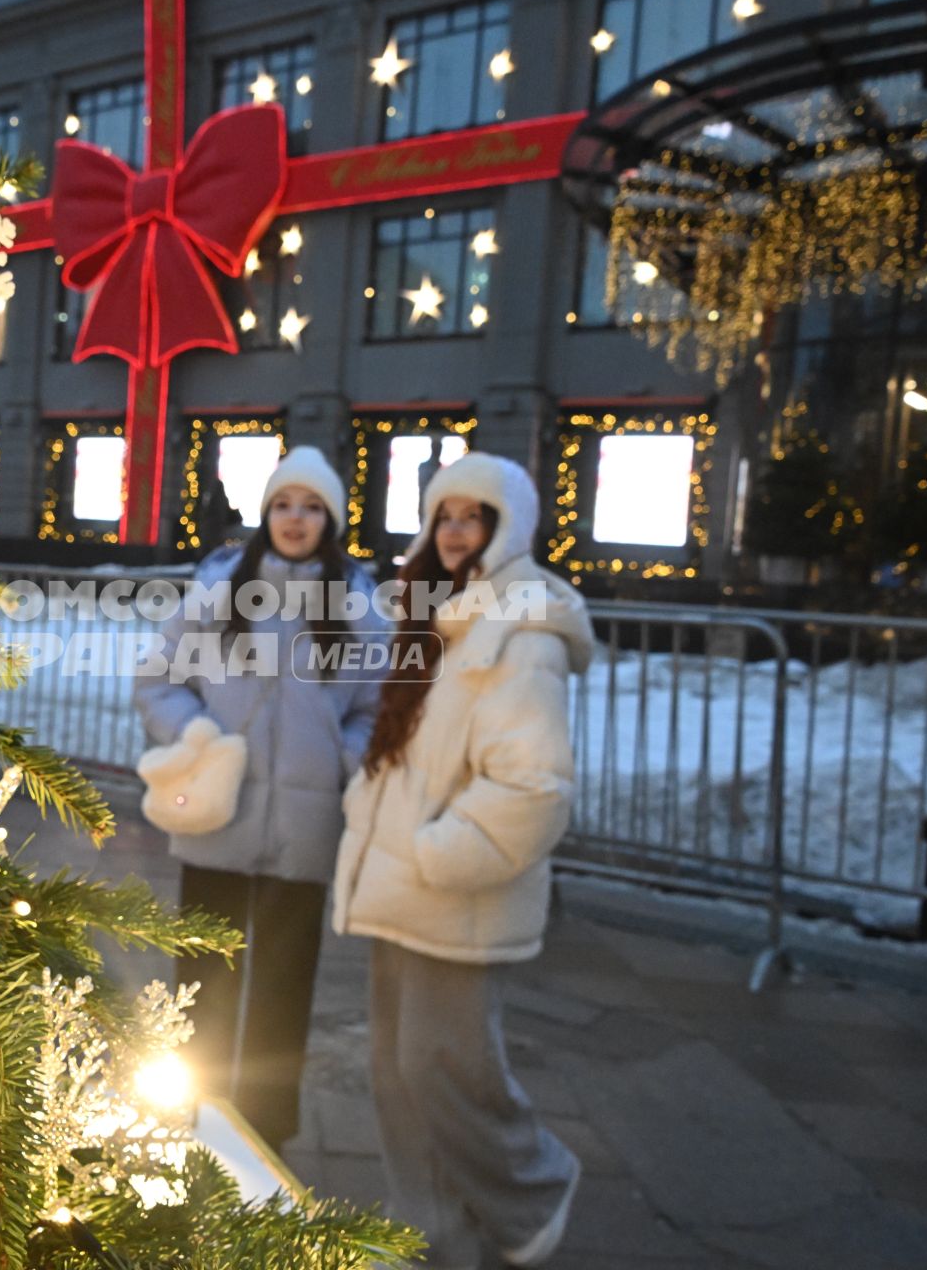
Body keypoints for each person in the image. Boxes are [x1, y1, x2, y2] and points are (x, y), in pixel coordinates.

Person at [333, 452, 594, 1269]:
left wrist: (439, 852)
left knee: (444, 1070)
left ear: (505, 526)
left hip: (453, 889)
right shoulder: (435, 615)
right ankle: (429, 1231)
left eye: (473, 517)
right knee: (395, 1073)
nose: (454, 532)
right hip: (403, 884)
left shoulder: (522, 629)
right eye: (444, 516)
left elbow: (535, 783)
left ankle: (532, 1192)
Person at [134, 446, 384, 1151]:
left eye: (310, 507)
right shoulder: (218, 593)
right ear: (264, 513)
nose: (295, 519)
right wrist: (195, 738)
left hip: (305, 826)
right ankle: (189, 1118)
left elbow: (376, 708)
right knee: (200, 981)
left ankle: (264, 1137)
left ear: (330, 520)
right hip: (219, 814)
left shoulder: (360, 609)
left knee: (282, 987)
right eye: (282, 504)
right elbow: (159, 680)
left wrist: (344, 758)